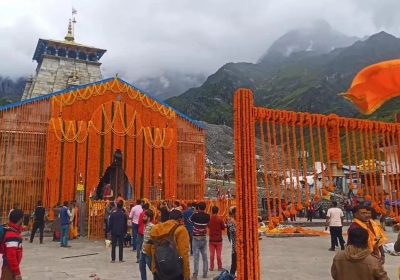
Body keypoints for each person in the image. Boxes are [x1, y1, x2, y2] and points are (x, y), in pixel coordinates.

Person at [145, 210, 190, 280]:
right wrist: (186, 273)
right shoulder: (181, 230)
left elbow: (147, 248)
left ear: (169, 218)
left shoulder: (156, 228)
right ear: (180, 219)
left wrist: (156, 258)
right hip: (175, 270)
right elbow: (183, 253)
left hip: (158, 269)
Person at [189, 201, 210, 279]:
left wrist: (194, 212)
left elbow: (189, 220)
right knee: (204, 256)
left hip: (196, 238)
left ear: (198, 208)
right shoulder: (207, 216)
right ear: (205, 208)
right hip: (203, 238)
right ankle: (205, 273)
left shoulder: (195, 216)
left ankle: (195, 274)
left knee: (196, 257)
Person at [1, 209, 24, 280]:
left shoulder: (9, 228)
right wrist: (17, 272)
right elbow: (11, 256)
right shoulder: (12, 235)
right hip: (7, 266)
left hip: (9, 266)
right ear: (20, 220)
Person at [207, 206, 225, 271]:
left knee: (211, 254)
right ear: (218, 211)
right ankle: (219, 267)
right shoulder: (220, 219)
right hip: (219, 239)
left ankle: (211, 267)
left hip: (211, 239)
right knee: (219, 254)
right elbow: (223, 227)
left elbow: (208, 226)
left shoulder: (209, 219)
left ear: (212, 211)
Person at [139, 210, 154, 280]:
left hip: (148, 253)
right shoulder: (145, 225)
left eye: (144, 216)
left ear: (148, 218)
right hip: (143, 251)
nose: (143, 218)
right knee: (141, 268)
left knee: (153, 269)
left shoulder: (152, 226)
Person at [226, 206, 237, 276]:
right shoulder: (231, 222)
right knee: (234, 264)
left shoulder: (235, 221)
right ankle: (231, 276)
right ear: (233, 214)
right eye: (236, 213)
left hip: (238, 246)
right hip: (235, 247)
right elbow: (235, 232)